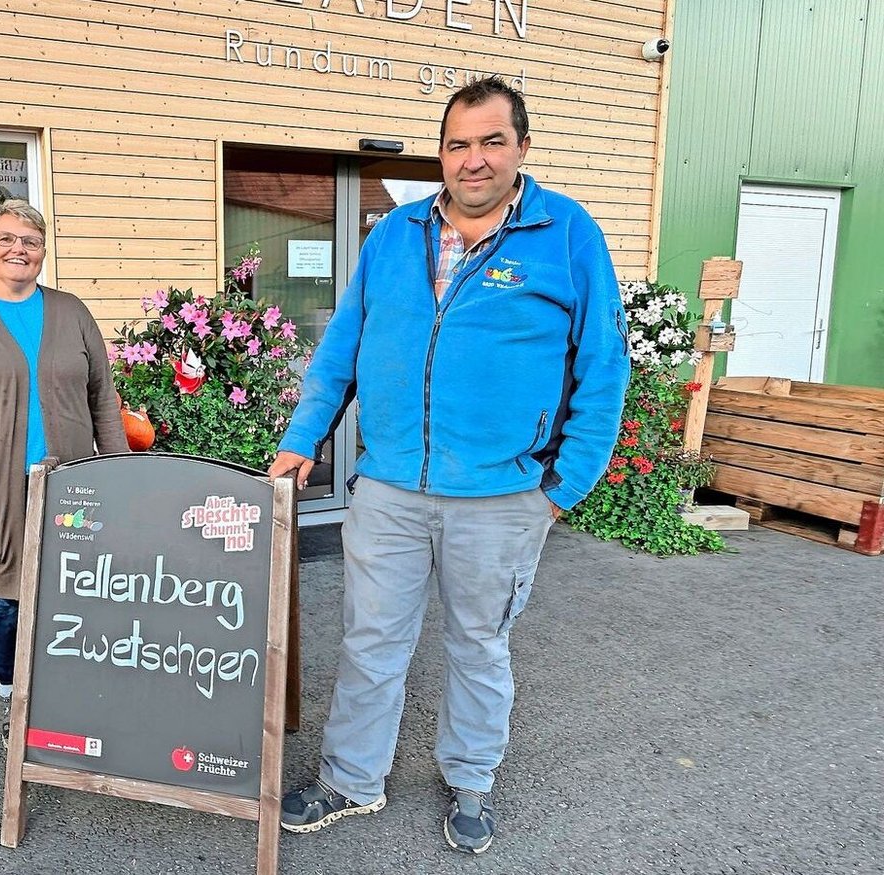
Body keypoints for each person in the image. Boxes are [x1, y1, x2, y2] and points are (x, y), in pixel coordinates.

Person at [267, 77, 631, 854]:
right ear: (441, 153)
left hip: (503, 495)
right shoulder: (394, 234)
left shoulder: (567, 234)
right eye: (459, 143)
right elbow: (341, 350)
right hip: (391, 486)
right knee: (371, 641)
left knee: (478, 645)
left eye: (492, 141)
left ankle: (470, 779)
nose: (474, 159)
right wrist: (306, 435)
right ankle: (350, 779)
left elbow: (603, 366)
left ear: (522, 148)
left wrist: (561, 488)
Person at [0, 199, 129, 745]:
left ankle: (71, 689)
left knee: (76, 587)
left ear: (42, 252)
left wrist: (123, 469)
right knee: (7, 595)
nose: (19, 249)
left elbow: (103, 396)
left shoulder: (71, 311)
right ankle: (15, 693)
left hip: (72, 481)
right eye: (7, 239)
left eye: (30, 242)